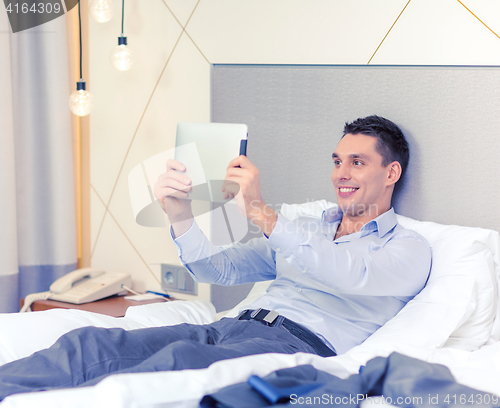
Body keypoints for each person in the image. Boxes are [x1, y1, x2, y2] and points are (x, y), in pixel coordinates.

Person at [0, 115, 430, 400]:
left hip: (294, 346)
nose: (341, 173)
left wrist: (262, 212)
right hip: (229, 327)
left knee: (172, 367)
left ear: (391, 173)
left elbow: (348, 275)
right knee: (93, 343)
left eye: (357, 162)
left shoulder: (408, 248)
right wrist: (180, 214)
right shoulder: (309, 226)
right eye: (338, 161)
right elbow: (218, 268)